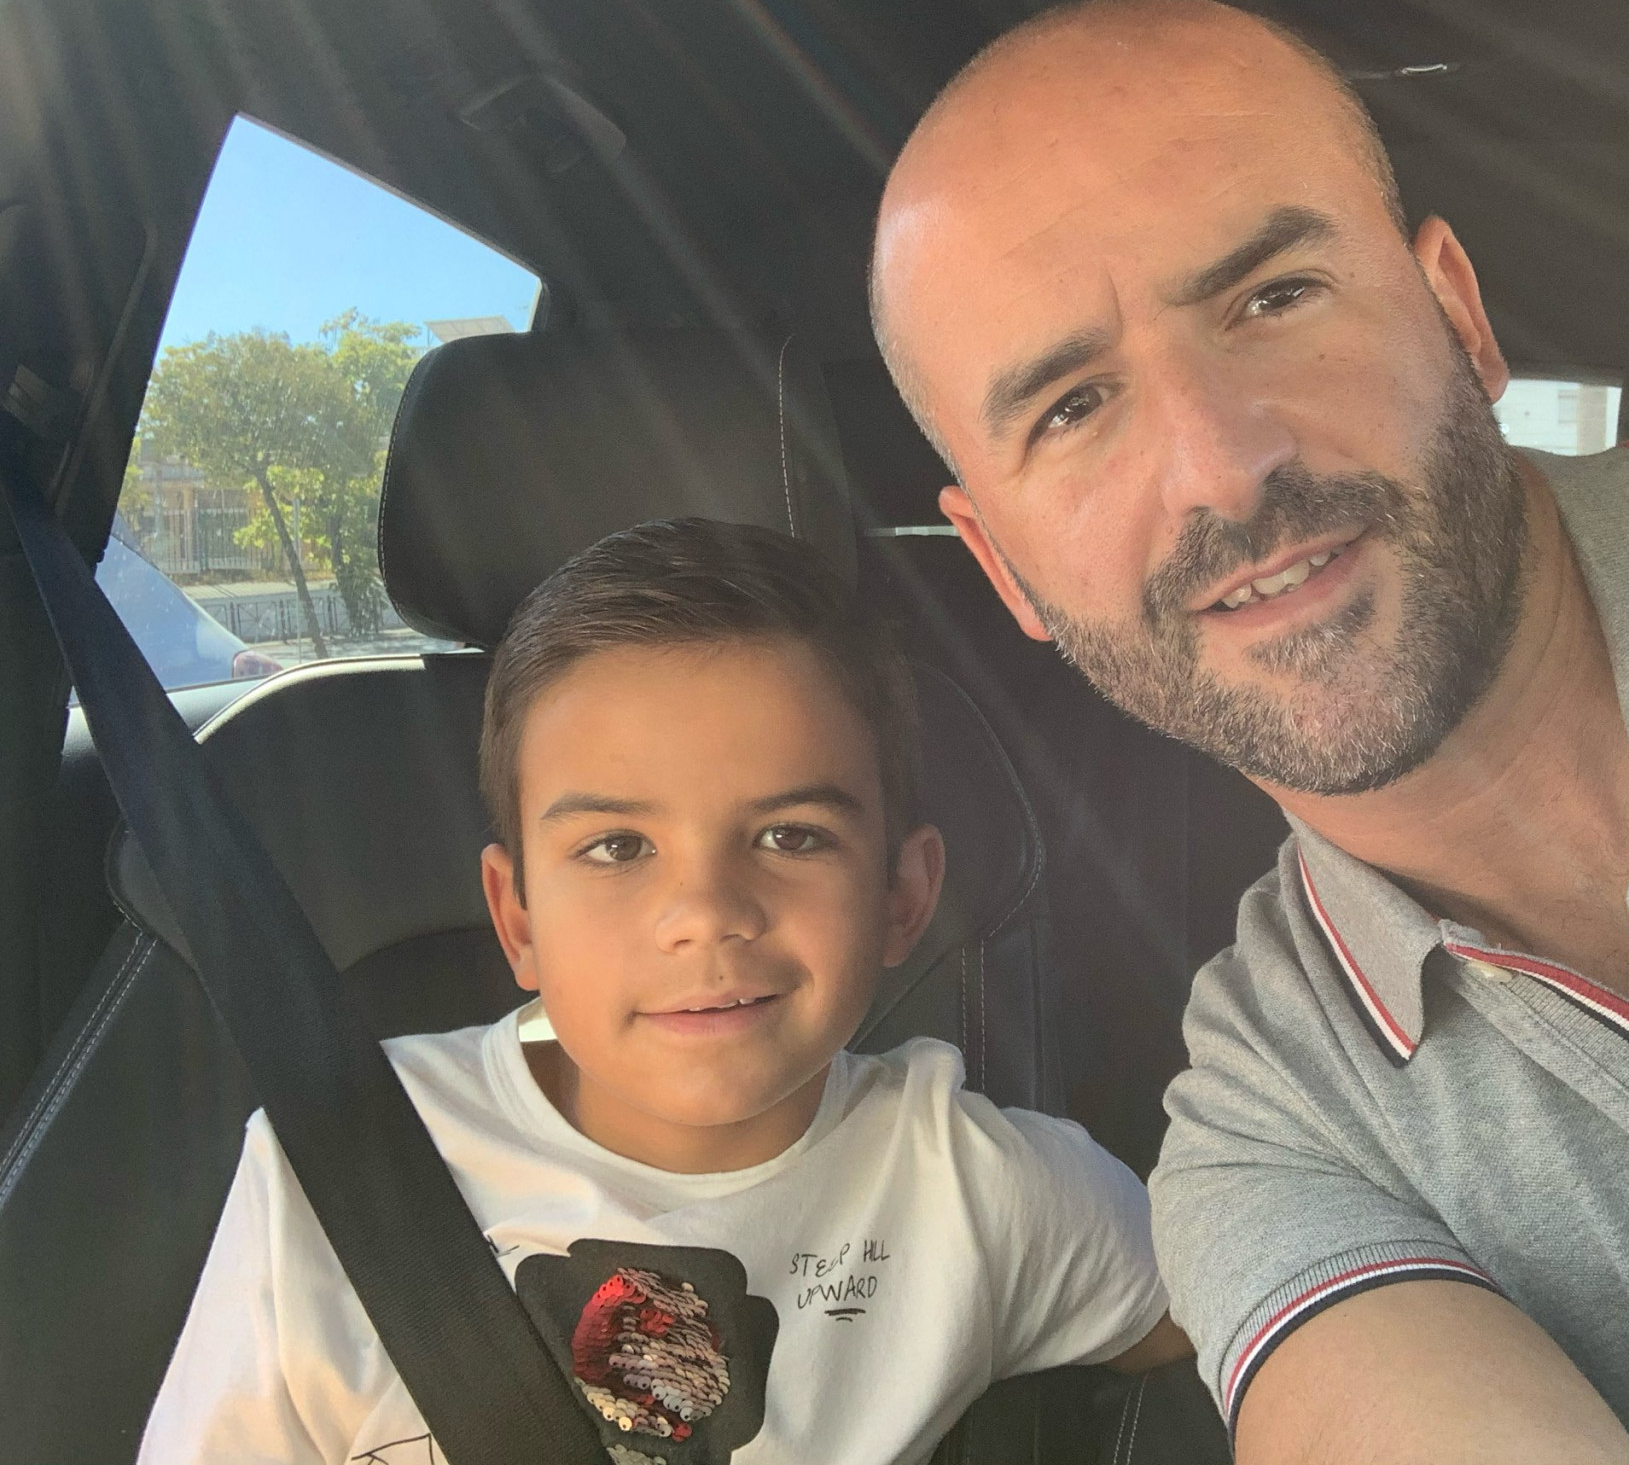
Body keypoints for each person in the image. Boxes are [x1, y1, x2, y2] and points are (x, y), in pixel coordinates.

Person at [867, 0, 1629, 1465]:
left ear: (1459, 316)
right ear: (1003, 570)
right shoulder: (1274, 1123)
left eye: (1272, 299)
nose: (1222, 470)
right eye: (1070, 408)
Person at [140, 517, 1187, 1465]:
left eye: (790, 836)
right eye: (617, 846)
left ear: (901, 897)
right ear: (517, 919)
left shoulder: (977, 1190)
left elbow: (1229, 1318)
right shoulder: (344, 1162)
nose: (705, 912)